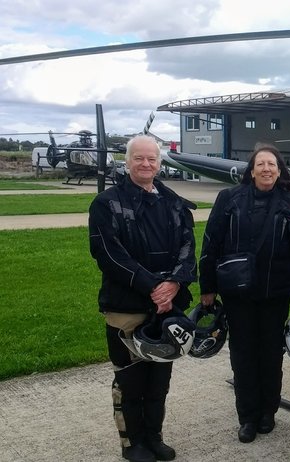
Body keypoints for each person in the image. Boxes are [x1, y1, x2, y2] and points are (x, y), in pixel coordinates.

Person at [199, 143, 290, 444]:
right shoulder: (229, 199)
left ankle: (268, 411)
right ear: (251, 170)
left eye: (273, 165)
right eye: (261, 164)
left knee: (270, 354)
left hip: (274, 292)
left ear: (280, 171)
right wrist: (207, 286)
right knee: (242, 355)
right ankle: (247, 416)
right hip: (237, 292)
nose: (267, 169)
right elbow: (211, 242)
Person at [89, 135, 197, 462]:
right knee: (130, 379)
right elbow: (108, 253)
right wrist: (152, 285)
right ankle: (132, 442)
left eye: (152, 159)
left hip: (167, 307)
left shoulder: (174, 203)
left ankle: (154, 437)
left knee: (158, 380)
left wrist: (174, 284)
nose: (146, 164)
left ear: (159, 163)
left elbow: (187, 248)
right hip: (126, 306)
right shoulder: (107, 204)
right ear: (128, 161)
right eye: (139, 158)